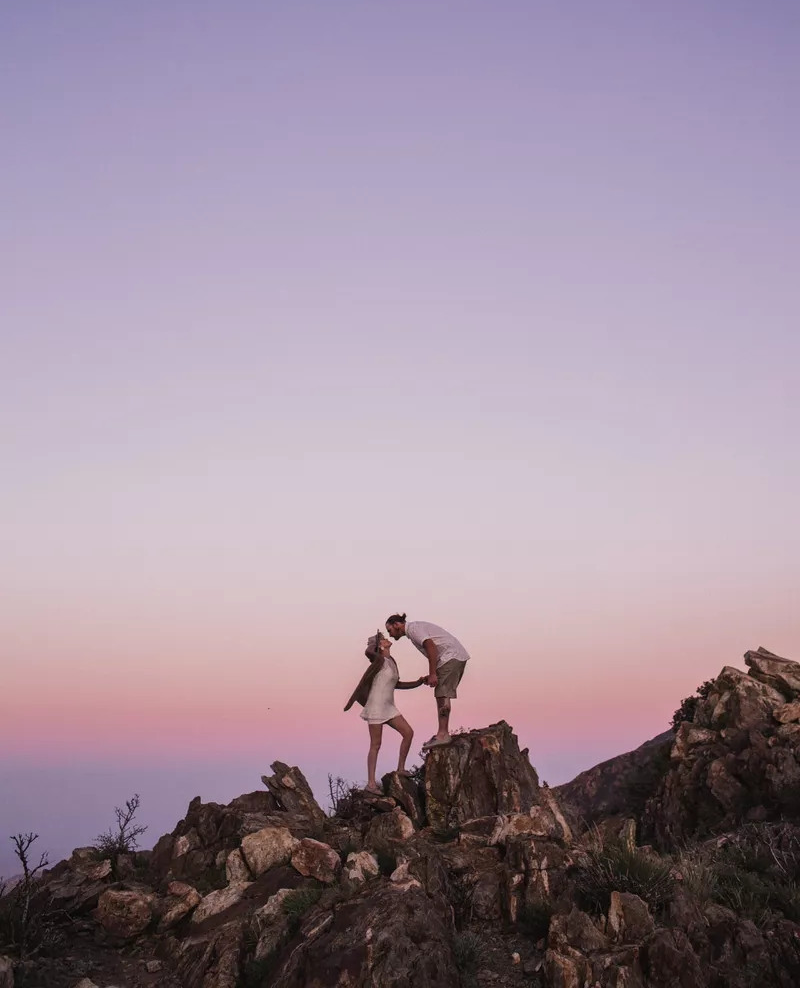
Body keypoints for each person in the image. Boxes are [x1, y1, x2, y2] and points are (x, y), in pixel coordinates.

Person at [344, 631, 427, 794]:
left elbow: (397, 684)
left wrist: (418, 682)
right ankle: (371, 784)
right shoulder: (379, 660)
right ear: (380, 645)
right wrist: (374, 643)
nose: (387, 639)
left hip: (389, 707)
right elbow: (368, 651)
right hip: (376, 706)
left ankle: (401, 768)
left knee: (408, 733)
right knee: (376, 744)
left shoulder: (391, 661)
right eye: (384, 638)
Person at [385, 613, 470, 749]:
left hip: (449, 657)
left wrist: (432, 673)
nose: (390, 635)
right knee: (443, 694)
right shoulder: (415, 628)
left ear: (397, 624)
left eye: (390, 630)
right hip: (455, 656)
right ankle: (443, 733)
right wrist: (432, 673)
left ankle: (443, 735)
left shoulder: (413, 629)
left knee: (442, 695)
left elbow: (431, 646)